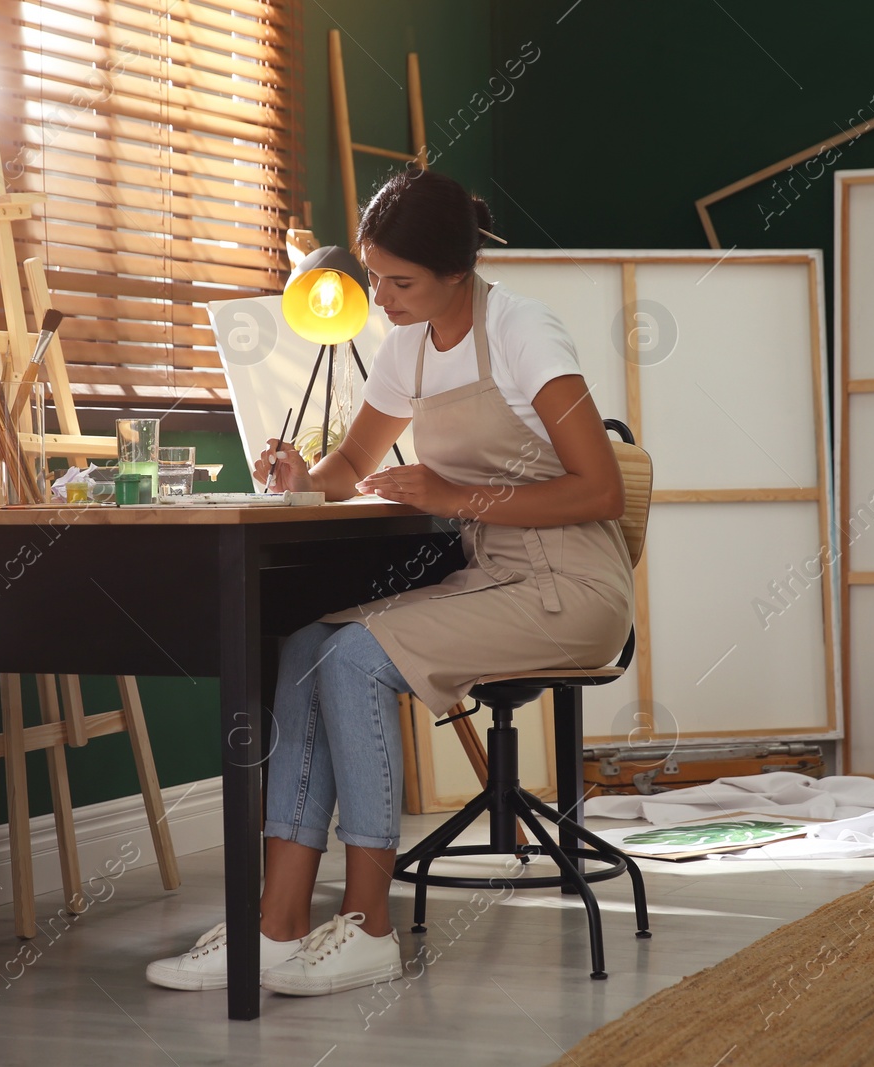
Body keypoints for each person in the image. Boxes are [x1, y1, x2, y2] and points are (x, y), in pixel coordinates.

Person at [146, 167, 634, 998]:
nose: (382, 297)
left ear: (458, 271)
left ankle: (371, 925)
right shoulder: (408, 343)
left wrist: (454, 496)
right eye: (375, 276)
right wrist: (305, 474)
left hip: (573, 587)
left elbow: (603, 490)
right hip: (494, 575)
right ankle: (278, 922)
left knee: (351, 660)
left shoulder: (523, 330)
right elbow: (351, 468)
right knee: (304, 647)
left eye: (399, 282)